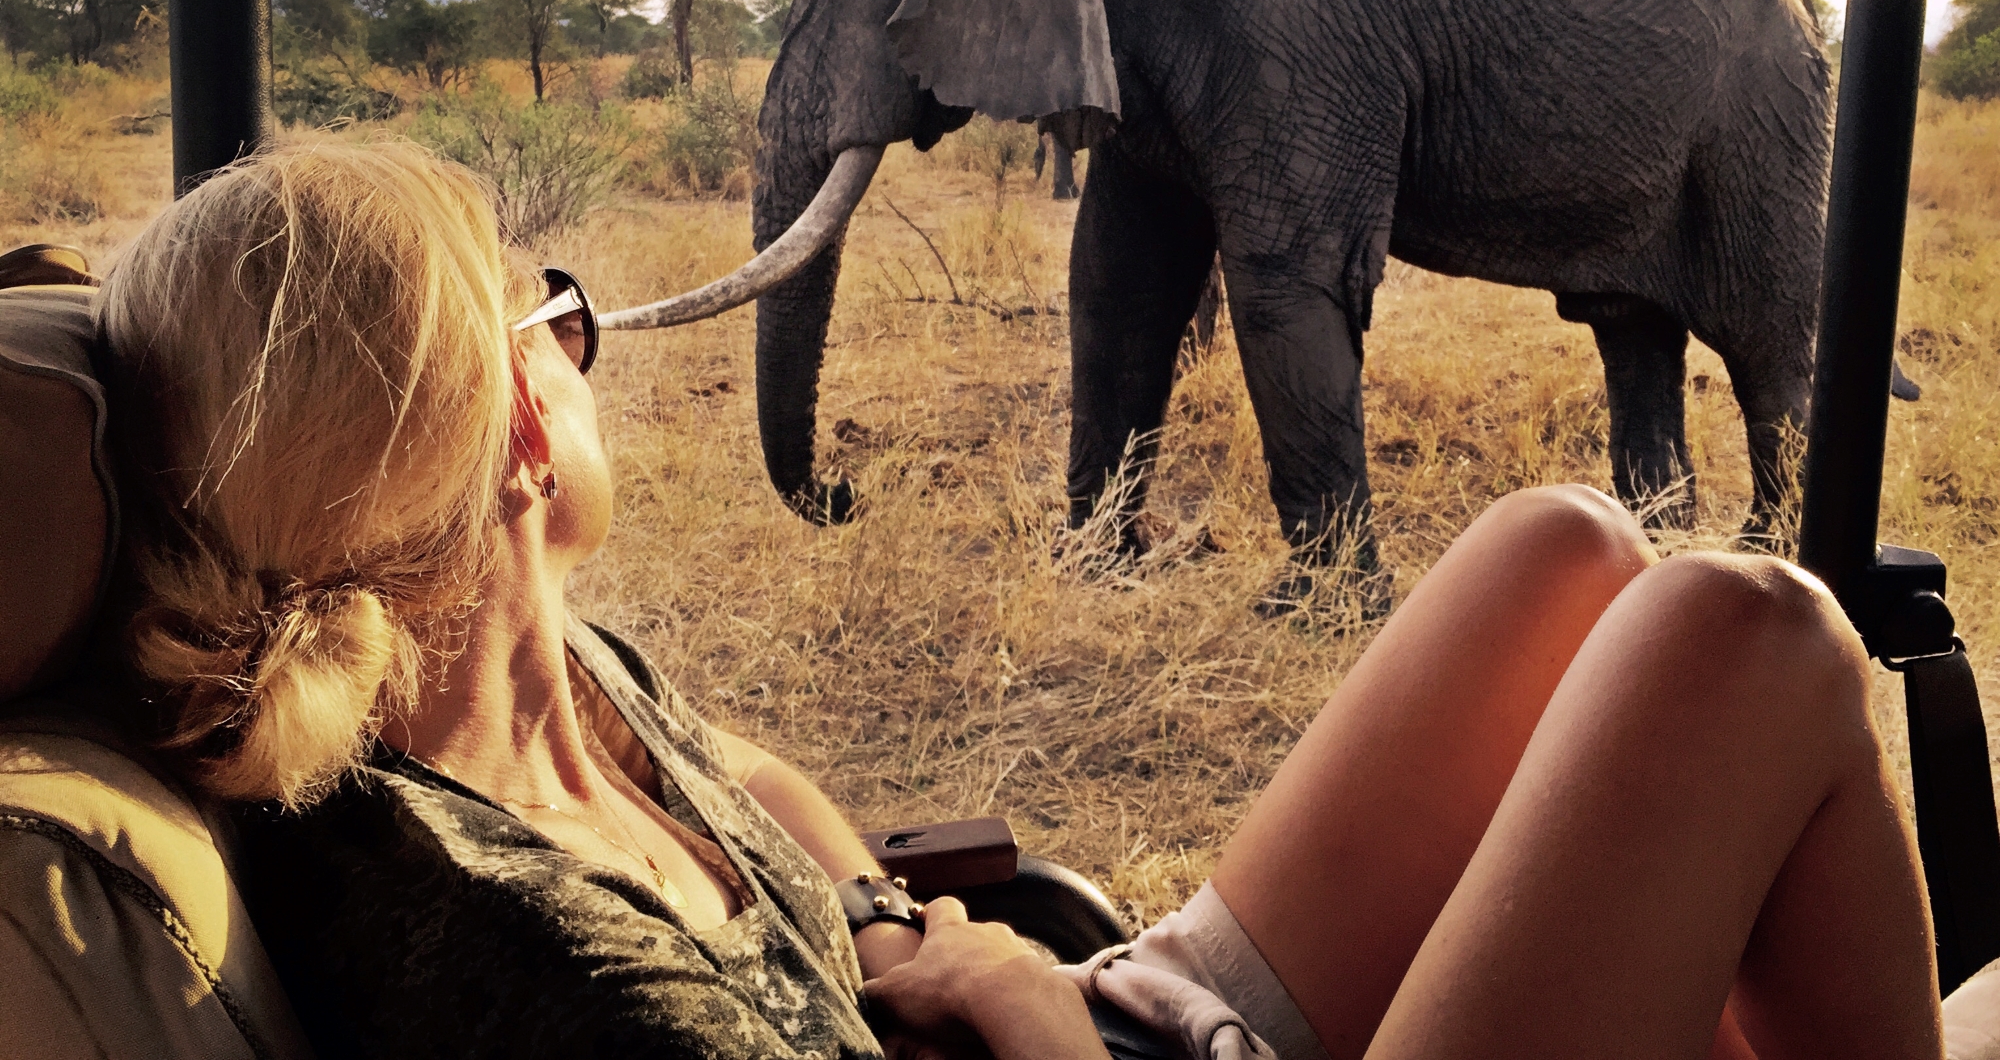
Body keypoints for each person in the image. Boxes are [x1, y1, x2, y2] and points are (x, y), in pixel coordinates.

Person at [95, 139, 1942, 1060]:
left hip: (1083, 1012)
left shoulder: (509, 671)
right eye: (551, 321)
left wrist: (904, 924)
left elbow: (747, 781)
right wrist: (1038, 1027)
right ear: (516, 420)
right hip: (1066, 1050)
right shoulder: (517, 958)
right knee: (1753, 636)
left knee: (1565, 547)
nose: (576, 345)